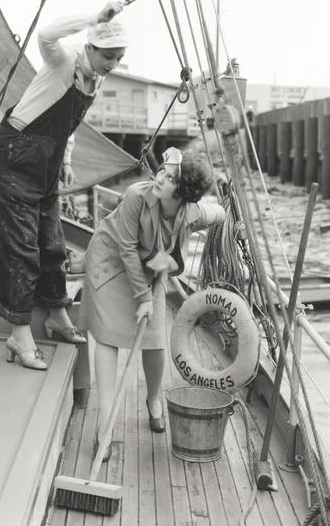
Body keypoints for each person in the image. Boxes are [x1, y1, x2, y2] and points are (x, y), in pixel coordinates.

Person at [0, 1, 129, 371]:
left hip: (46, 163)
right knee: (22, 249)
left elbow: (68, 125)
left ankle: (57, 315)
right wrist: (94, 19)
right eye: (108, 56)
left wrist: (64, 161)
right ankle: (19, 335)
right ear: (90, 47)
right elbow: (47, 34)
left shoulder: (94, 79)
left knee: (51, 244)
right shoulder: (63, 62)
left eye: (118, 58)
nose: (112, 65)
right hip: (14, 158)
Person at [78, 148, 225, 461]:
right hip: (110, 262)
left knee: (155, 341)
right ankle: (105, 425)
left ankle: (154, 400)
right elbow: (128, 249)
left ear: (184, 192)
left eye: (170, 178)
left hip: (149, 270)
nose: (159, 178)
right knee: (106, 339)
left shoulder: (191, 212)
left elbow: (218, 214)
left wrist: (228, 217)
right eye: (162, 171)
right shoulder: (136, 195)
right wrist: (144, 298)